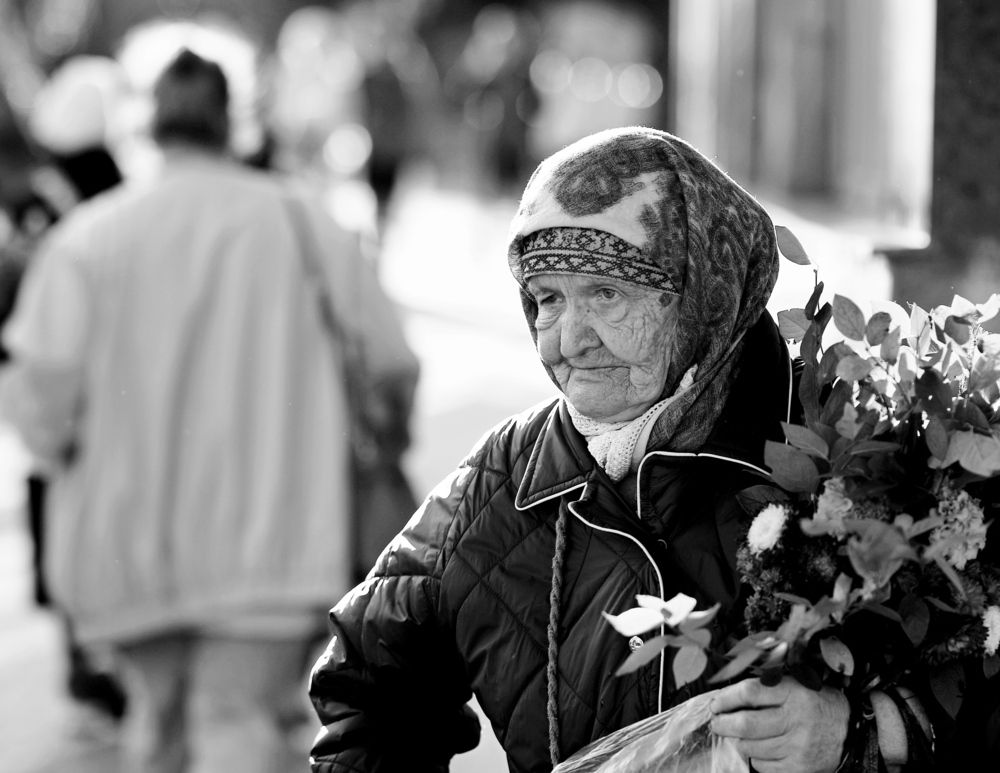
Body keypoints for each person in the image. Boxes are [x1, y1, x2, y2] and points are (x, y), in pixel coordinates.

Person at [307, 126, 948, 772]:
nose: (569, 338)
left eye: (606, 293)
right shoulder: (507, 477)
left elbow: (977, 687)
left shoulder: (848, 451)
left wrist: (861, 729)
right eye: (548, 299)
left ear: (700, 294)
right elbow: (366, 691)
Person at [0, 45, 418, 773]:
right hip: (275, 543)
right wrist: (383, 441)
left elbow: (40, 397)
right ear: (235, 120)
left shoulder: (89, 237)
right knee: (240, 727)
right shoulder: (299, 220)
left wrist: (64, 450)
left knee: (155, 730)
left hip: (125, 547)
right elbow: (390, 362)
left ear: (146, 124)